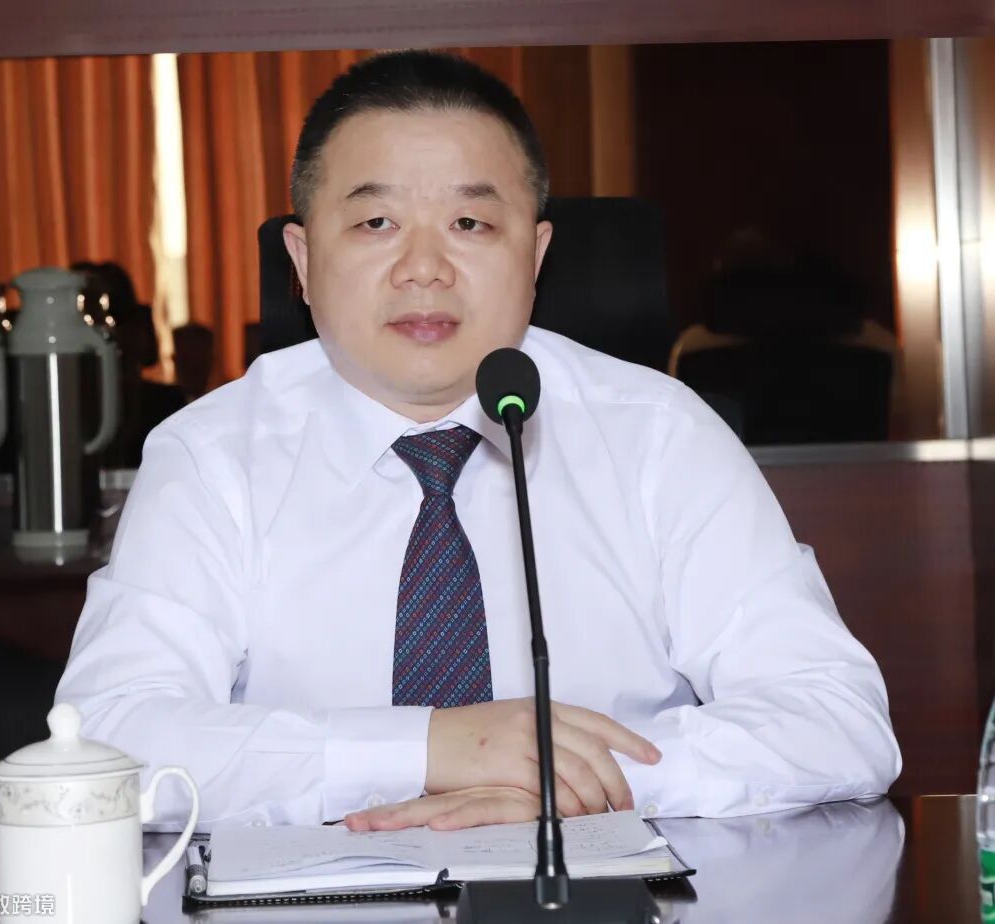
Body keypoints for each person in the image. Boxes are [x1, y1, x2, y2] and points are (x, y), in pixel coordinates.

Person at [55, 50, 900, 833]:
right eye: (376, 222)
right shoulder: (211, 458)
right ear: (303, 262)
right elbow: (105, 744)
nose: (424, 267)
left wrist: (567, 780)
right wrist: (428, 750)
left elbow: (837, 719)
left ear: (536, 255)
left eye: (470, 222)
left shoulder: (658, 436)